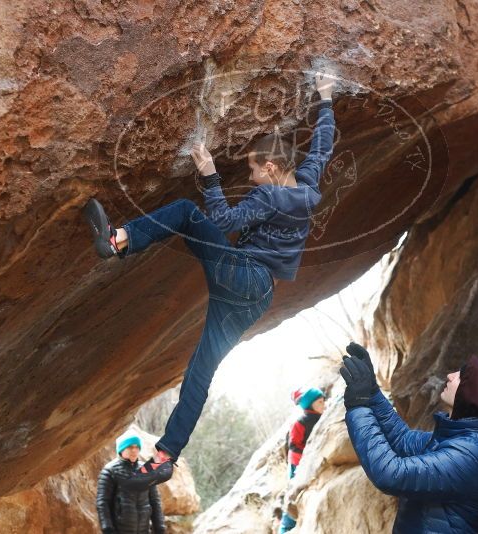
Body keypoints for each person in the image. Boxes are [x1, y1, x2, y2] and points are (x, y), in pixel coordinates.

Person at [83, 72, 336, 476]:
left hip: (244, 276)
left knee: (186, 211)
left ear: (271, 167)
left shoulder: (271, 194)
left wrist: (209, 173)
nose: (251, 178)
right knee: (201, 372)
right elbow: (323, 147)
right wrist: (325, 98)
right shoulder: (306, 186)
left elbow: (224, 218)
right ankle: (166, 456)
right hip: (255, 298)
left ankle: (117, 240)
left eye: (254, 170)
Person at [340, 342, 478, 534]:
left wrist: (358, 407)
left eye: (462, 376)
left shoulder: (470, 455)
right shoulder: (458, 440)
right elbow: (401, 440)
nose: (450, 376)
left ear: (475, 396)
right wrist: (371, 392)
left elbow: (390, 474)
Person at [96, 430, 167, 534]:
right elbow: (103, 503)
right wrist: (107, 528)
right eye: (130, 447)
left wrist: (159, 527)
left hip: (143, 530)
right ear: (121, 449)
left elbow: (155, 501)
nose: (134, 450)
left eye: (137, 447)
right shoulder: (110, 471)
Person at [280, 386, 326, 533]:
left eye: (323, 401)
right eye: (320, 402)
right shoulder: (300, 422)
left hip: (311, 462)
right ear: (310, 404)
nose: (323, 405)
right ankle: (285, 528)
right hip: (297, 465)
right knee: (294, 494)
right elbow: (294, 446)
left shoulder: (322, 417)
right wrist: (306, 459)